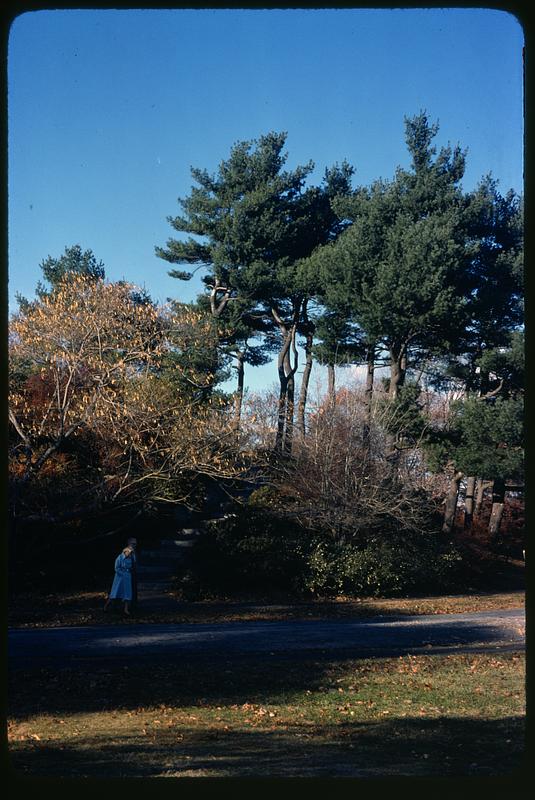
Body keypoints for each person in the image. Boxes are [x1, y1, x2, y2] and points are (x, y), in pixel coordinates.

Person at [104, 546, 134, 615]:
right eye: (129, 552)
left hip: (127, 577)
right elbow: (116, 568)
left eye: (131, 553)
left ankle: (126, 610)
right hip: (119, 578)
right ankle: (106, 606)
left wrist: (129, 572)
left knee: (127, 593)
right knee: (115, 593)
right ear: (125, 551)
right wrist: (122, 574)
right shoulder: (119, 557)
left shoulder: (130, 558)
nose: (130, 554)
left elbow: (130, 567)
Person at [127, 537, 138, 608]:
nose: (135, 545)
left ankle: (133, 605)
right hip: (128, 573)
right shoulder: (127, 551)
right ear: (129, 543)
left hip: (133, 573)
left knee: (133, 589)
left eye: (136, 544)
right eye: (133, 543)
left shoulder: (134, 551)